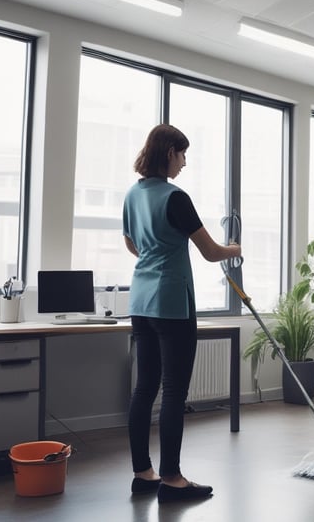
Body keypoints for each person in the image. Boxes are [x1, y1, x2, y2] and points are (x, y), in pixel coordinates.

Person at [122, 124, 241, 503]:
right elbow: (209, 251)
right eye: (183, 154)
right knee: (174, 389)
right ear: (170, 151)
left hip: (140, 301)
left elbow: (131, 244)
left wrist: (155, 256)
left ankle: (143, 474)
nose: (185, 163)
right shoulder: (176, 197)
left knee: (145, 387)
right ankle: (172, 479)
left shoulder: (132, 195)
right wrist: (234, 249)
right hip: (171, 302)